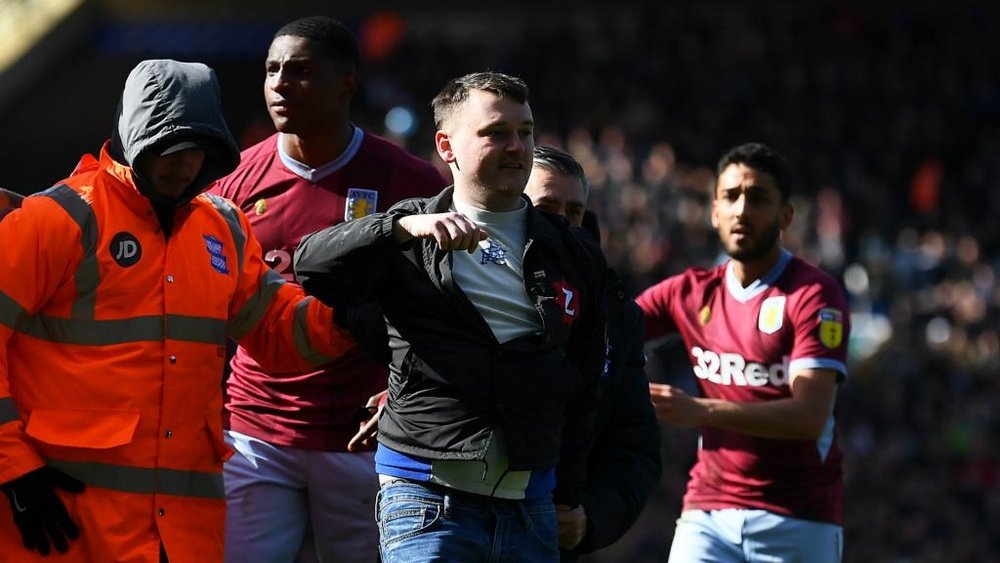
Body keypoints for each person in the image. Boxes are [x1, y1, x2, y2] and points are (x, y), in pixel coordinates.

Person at [0, 59, 356, 563]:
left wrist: (352, 318)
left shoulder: (222, 228)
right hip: (68, 525)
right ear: (133, 138)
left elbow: (279, 331)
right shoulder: (57, 220)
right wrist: (13, 467)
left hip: (183, 534)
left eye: (200, 151)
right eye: (168, 148)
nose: (184, 164)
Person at [293, 71, 607, 562]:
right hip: (425, 499)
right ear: (447, 146)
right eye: (495, 133)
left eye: (525, 132)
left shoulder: (571, 250)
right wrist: (400, 228)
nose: (516, 147)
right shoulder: (410, 232)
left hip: (531, 505)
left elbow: (585, 379)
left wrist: (566, 491)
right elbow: (311, 265)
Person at [209, 16, 447, 562]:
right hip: (255, 433)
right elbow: (214, 307)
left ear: (347, 84)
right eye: (272, 70)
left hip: (365, 436)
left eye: (302, 71)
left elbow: (443, 308)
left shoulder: (412, 183)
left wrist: (408, 395)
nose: (281, 84)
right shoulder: (232, 184)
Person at [635, 142, 850, 562]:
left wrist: (701, 410)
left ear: (786, 216)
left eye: (759, 198)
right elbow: (608, 326)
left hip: (799, 520)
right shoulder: (689, 291)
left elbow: (809, 416)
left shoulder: (813, 294)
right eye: (731, 196)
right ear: (714, 210)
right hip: (708, 514)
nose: (743, 210)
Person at [523, 145, 662, 560]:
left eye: (575, 212)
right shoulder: (465, 274)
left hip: (551, 535)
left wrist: (591, 516)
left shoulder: (614, 313)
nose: (563, 224)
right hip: (460, 517)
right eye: (547, 207)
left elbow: (635, 446)